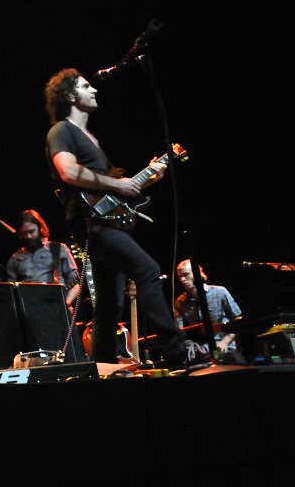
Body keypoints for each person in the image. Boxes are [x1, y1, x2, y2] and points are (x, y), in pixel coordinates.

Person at [43, 68, 188, 368]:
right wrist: (118, 184)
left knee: (109, 303)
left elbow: (111, 191)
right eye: (86, 86)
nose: (94, 90)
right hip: (93, 223)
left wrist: (148, 177)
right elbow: (68, 171)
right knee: (148, 270)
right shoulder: (62, 131)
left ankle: (103, 365)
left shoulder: (89, 138)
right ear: (70, 96)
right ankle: (176, 352)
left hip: (104, 220)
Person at [6, 209, 81, 312]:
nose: (28, 236)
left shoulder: (58, 249)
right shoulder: (15, 258)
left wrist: (65, 304)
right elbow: (11, 293)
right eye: (24, 233)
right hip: (30, 312)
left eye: (31, 232)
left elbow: (75, 285)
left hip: (59, 311)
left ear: (40, 228)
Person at [174, 259, 244, 363]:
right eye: (180, 276)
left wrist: (224, 342)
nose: (182, 279)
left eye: (186, 275)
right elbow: (181, 331)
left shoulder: (220, 292)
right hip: (201, 352)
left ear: (198, 273)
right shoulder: (180, 302)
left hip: (226, 348)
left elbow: (238, 321)